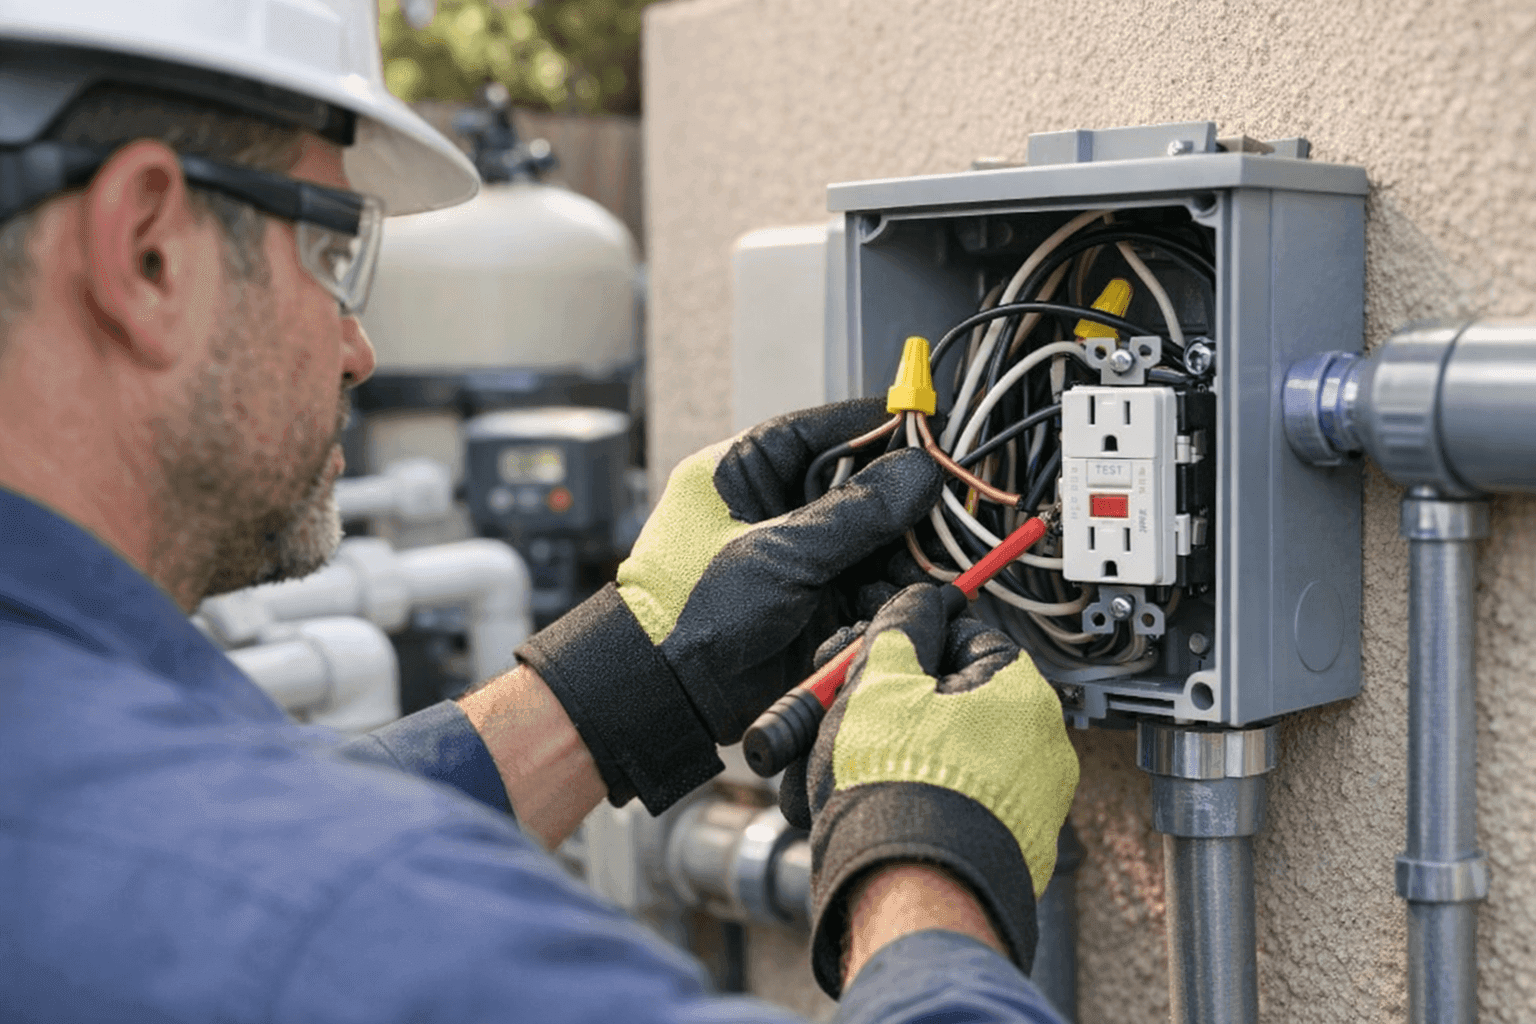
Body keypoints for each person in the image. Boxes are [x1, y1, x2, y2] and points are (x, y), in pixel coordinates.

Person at [0, 3, 1080, 1021]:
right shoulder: (332, 925)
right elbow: (280, 875)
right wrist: (925, 860)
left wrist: (623, 673)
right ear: (147, 253)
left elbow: (235, 831)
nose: (357, 350)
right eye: (335, 254)